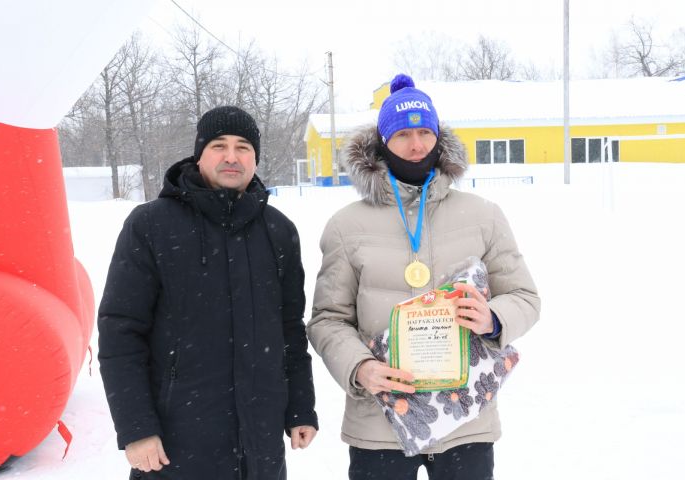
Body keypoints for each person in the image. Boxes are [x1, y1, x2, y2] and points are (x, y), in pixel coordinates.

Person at [306, 74, 540, 480]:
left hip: (465, 421)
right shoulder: (347, 225)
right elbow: (328, 320)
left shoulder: (483, 215)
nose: (416, 145)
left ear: (439, 137)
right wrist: (360, 366)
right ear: (381, 143)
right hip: (379, 423)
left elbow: (524, 296)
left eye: (424, 132)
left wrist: (494, 318)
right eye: (402, 135)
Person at [98, 105, 318, 479]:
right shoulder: (151, 225)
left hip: (259, 447)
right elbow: (121, 332)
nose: (231, 156)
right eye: (219, 145)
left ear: (255, 158)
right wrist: (137, 428)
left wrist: (300, 405)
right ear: (200, 154)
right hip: (174, 448)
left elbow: (289, 329)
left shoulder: (279, 230)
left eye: (243, 146)